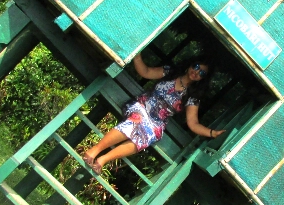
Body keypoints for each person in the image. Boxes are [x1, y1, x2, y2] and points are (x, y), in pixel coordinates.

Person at [82, 54, 226, 171]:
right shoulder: (171, 72)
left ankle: (103, 159)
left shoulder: (193, 96)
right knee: (136, 122)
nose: (196, 72)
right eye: (196, 67)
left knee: (144, 138)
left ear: (203, 78)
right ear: (190, 64)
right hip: (142, 106)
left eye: (201, 73)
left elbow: (193, 123)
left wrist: (212, 133)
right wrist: (137, 55)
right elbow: (146, 72)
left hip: (156, 122)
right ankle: (94, 150)